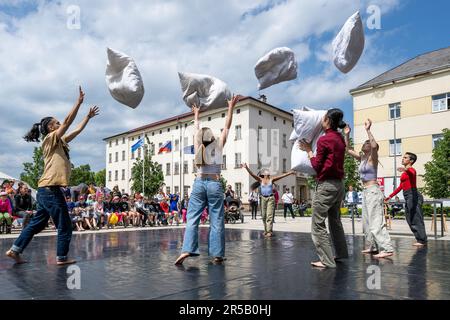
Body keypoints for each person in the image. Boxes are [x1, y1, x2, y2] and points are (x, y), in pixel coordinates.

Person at [6, 86, 99, 265]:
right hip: (50, 190)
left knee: (38, 224)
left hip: (46, 190)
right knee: (64, 224)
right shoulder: (49, 139)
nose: (59, 125)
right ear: (50, 128)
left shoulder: (59, 142)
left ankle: (15, 250)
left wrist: (87, 117)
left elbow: (75, 130)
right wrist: (78, 103)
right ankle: (61, 257)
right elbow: (67, 122)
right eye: (55, 124)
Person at [175, 95, 240, 265]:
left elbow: (196, 127)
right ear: (211, 136)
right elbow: (227, 125)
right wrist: (230, 107)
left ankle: (186, 250)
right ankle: (217, 254)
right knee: (217, 219)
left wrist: (196, 114)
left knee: (192, 218)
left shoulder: (198, 148)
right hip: (214, 184)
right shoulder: (218, 145)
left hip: (198, 183)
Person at [299, 108, 349, 268]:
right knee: (335, 221)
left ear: (327, 120)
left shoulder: (324, 140)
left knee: (318, 223)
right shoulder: (339, 138)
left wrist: (308, 151)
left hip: (327, 185)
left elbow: (317, 166)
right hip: (339, 184)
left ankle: (327, 260)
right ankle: (341, 254)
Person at [344, 119, 394, 258]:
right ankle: (372, 245)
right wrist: (347, 134)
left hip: (373, 190)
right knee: (366, 221)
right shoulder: (362, 159)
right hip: (365, 191)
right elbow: (347, 149)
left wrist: (368, 130)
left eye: (367, 142)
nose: (366, 143)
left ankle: (387, 248)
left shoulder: (373, 157)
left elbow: (373, 145)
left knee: (376, 219)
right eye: (364, 142)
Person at [385, 152, 427, 247]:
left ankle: (422, 240)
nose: (402, 159)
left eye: (405, 157)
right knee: (409, 218)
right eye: (403, 157)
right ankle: (420, 239)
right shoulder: (405, 173)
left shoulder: (411, 170)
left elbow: (412, 173)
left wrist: (405, 169)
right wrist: (390, 196)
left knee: (416, 218)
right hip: (408, 196)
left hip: (413, 195)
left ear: (411, 161)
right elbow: (401, 186)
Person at [242, 164, 296, 238]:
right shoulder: (260, 180)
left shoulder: (272, 179)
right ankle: (266, 230)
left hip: (270, 198)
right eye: (266, 171)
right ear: (263, 174)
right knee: (264, 216)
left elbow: (282, 176)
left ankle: (269, 231)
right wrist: (246, 168)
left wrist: (290, 173)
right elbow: (252, 174)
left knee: (269, 215)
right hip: (263, 198)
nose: (267, 172)